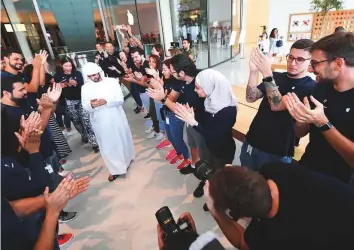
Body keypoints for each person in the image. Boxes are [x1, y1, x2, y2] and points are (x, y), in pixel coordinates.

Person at [205, 162, 354, 250]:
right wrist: (235, 175)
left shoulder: (267, 236)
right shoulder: (275, 170)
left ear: (244, 216)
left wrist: (215, 210)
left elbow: (242, 242)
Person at [284, 32, 354, 183]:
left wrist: (323, 123)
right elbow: (301, 133)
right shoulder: (320, 88)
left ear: (338, 63)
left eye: (315, 63)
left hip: (339, 185)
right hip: (307, 168)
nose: (310, 70)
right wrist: (301, 119)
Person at [241, 39, 316, 171]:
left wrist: (267, 74)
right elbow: (251, 97)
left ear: (310, 61)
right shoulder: (276, 76)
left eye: (300, 59)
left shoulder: (311, 88)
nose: (293, 63)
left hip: (277, 151)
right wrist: (253, 72)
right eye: (291, 57)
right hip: (252, 140)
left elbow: (276, 104)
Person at [147, 54, 209, 198]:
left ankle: (204, 179)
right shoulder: (185, 83)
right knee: (192, 145)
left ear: (181, 73)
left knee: (204, 153)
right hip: (190, 122)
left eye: (172, 70)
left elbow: (179, 109)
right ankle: (194, 166)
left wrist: (163, 98)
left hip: (201, 124)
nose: (170, 73)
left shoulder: (200, 82)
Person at [174, 69, 238, 172]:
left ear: (210, 87)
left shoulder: (228, 110)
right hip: (209, 145)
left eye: (198, 88)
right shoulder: (209, 100)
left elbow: (213, 135)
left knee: (219, 176)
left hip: (222, 151)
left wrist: (193, 122)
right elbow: (206, 124)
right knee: (208, 167)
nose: (195, 90)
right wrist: (192, 115)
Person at [82, 62, 135, 182]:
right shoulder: (85, 88)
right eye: (90, 76)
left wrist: (106, 101)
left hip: (116, 117)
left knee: (122, 139)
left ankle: (127, 159)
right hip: (100, 121)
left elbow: (120, 99)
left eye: (95, 74)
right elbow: (85, 106)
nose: (94, 77)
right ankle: (116, 169)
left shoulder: (112, 82)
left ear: (99, 72)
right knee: (108, 145)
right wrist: (91, 104)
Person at [148, 59, 191, 169]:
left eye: (165, 69)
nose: (163, 72)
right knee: (171, 138)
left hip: (175, 115)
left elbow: (169, 99)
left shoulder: (178, 83)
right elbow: (161, 98)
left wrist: (159, 88)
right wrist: (158, 85)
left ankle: (187, 158)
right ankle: (179, 154)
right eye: (163, 70)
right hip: (167, 113)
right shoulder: (167, 81)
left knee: (177, 139)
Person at [54, 57, 99, 152]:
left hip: (81, 99)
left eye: (70, 65)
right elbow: (57, 89)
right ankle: (84, 135)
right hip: (68, 101)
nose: (68, 68)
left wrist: (76, 84)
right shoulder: (57, 76)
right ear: (61, 65)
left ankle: (94, 142)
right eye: (66, 65)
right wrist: (66, 84)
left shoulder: (77, 73)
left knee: (86, 119)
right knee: (76, 120)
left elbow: (83, 86)